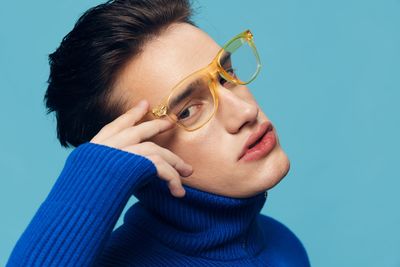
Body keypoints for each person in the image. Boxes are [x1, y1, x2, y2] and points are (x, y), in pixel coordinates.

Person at [7, 0, 310, 266]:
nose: (245, 112)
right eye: (188, 110)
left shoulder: (282, 244)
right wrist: (92, 172)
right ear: (132, 150)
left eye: (226, 75)